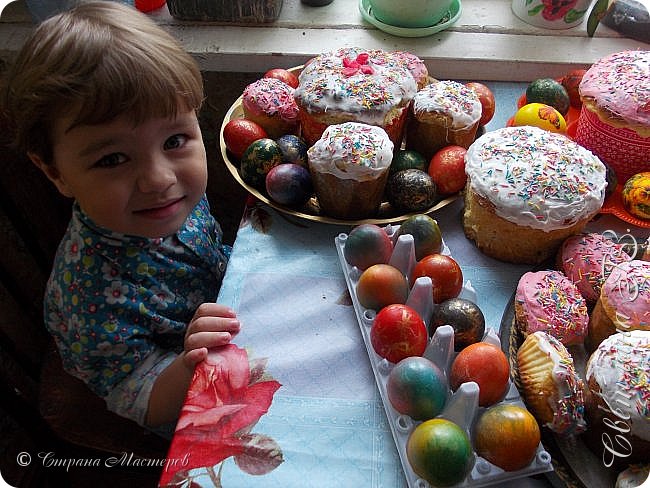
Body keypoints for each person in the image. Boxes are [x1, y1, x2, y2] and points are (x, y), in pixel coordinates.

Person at [1, 1, 240, 432]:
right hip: (179, 387)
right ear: (55, 172)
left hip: (229, 307)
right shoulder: (91, 298)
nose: (157, 178)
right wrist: (189, 364)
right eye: (112, 159)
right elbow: (141, 397)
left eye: (174, 140)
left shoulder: (166, 201)